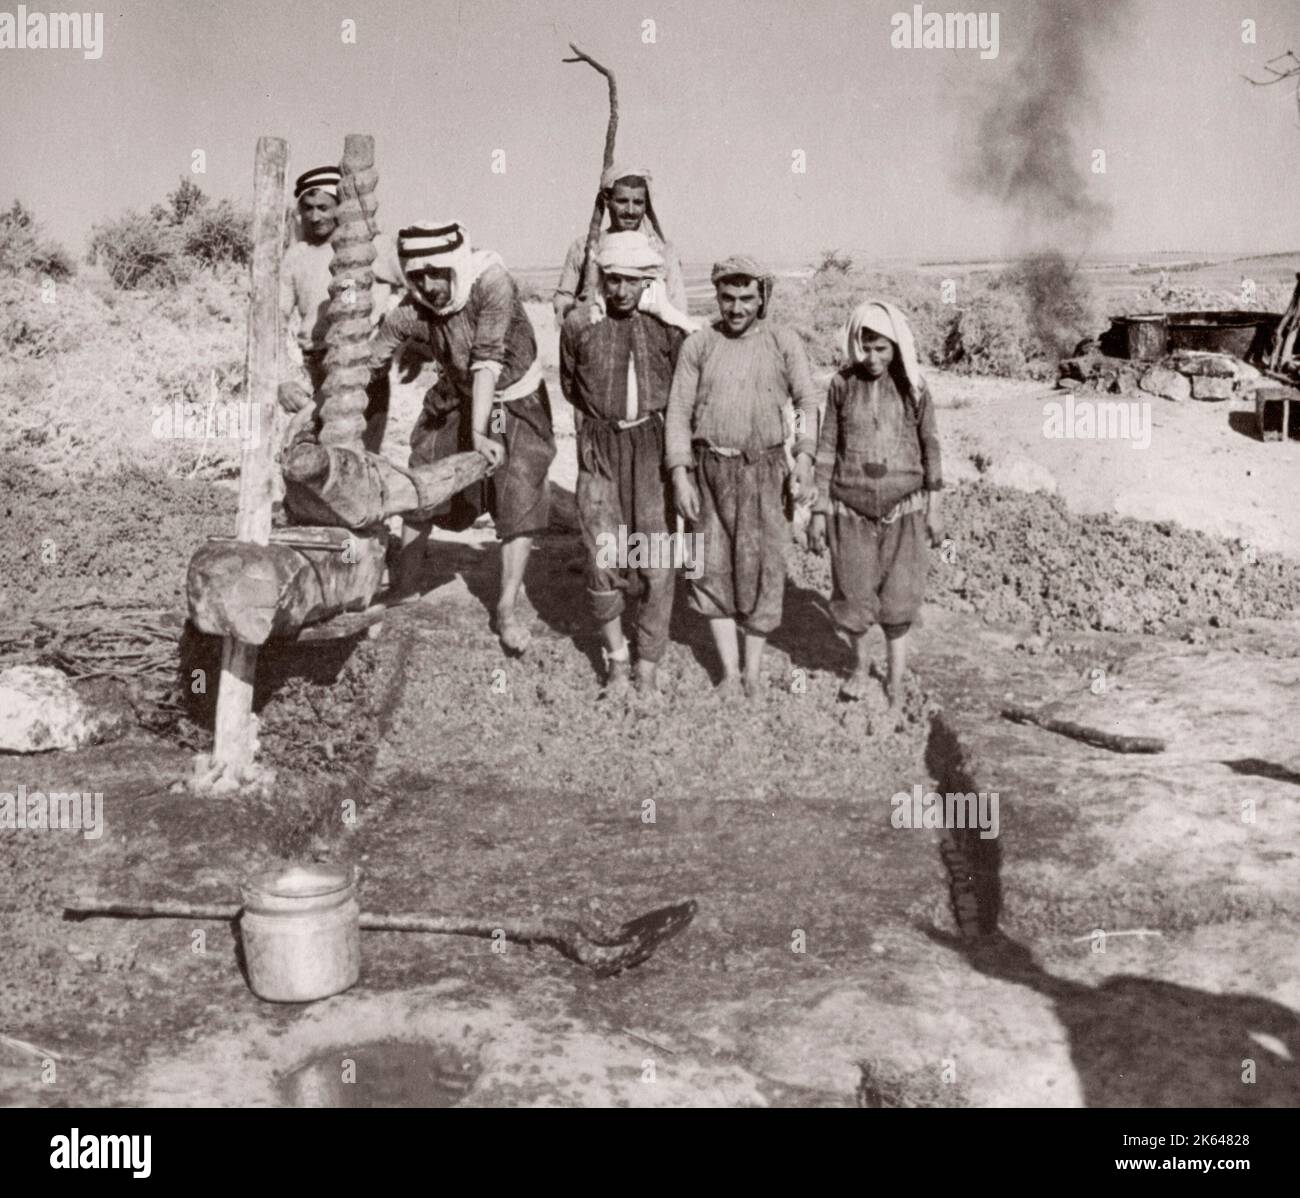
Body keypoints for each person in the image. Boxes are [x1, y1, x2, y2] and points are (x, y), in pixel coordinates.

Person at [368, 219, 556, 654]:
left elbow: (487, 359)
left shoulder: (492, 282)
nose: (429, 284)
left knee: (518, 492)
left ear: (455, 265)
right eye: (417, 276)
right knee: (422, 480)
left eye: (437, 273)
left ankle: (507, 607)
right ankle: (406, 585)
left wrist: (479, 431)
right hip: (456, 394)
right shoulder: (411, 311)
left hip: (513, 399)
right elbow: (369, 362)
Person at [664, 255, 820, 698]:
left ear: (762, 297)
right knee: (710, 569)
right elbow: (677, 411)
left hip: (765, 472)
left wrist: (805, 458)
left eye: (746, 298)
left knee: (764, 570)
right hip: (710, 471)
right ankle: (730, 674)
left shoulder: (782, 341)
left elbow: (807, 403)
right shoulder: (699, 345)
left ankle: (752, 673)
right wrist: (680, 474)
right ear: (716, 296)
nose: (735, 308)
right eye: (727, 298)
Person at [559, 231, 692, 696]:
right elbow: (571, 386)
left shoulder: (666, 328)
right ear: (601, 278)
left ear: (646, 282)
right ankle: (617, 660)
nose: (620, 291)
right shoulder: (578, 324)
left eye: (630, 282)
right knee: (603, 553)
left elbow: (682, 392)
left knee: (655, 558)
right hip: (599, 446)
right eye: (612, 280)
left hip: (652, 446)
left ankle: (649, 664)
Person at [807, 300, 944, 708]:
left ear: (896, 347)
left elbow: (931, 448)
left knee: (900, 596)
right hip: (849, 508)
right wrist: (818, 510)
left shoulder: (914, 388)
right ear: (855, 343)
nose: (872, 357)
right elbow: (827, 447)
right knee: (853, 593)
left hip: (906, 508)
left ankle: (897, 680)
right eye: (865, 347)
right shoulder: (841, 385)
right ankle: (860, 668)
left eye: (881, 348)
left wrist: (936, 507)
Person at [278, 165, 399, 452]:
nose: (315, 216)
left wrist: (394, 335)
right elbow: (275, 320)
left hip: (362, 369)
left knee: (360, 460)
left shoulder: (373, 247)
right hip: (314, 369)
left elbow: (417, 283)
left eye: (323, 207)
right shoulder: (297, 256)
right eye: (308, 208)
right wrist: (283, 379)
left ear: (340, 208)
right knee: (312, 462)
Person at [552, 162, 688, 322]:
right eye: (622, 201)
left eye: (638, 202)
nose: (630, 211)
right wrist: (576, 307)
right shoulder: (583, 247)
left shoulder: (660, 252)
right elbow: (563, 297)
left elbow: (676, 308)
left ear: (646, 205)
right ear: (608, 200)